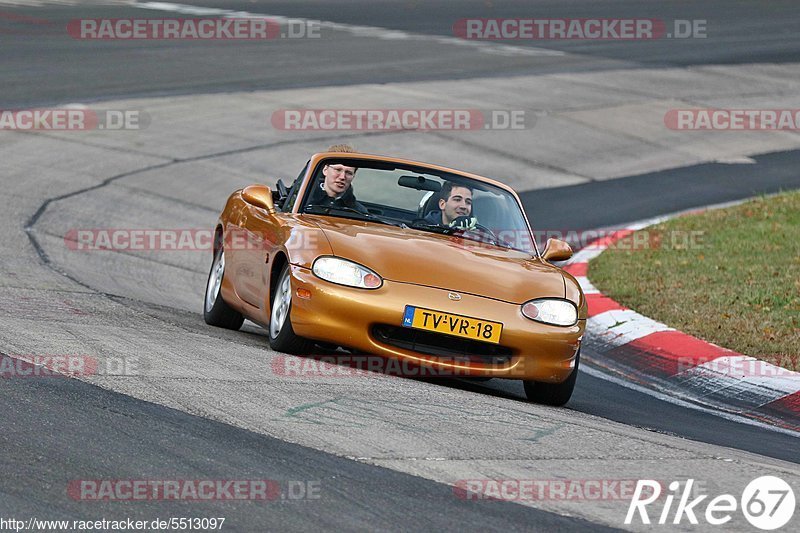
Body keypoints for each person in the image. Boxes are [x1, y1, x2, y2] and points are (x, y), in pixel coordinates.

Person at [306, 144, 369, 214]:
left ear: (353, 176)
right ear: (325, 170)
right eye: (338, 170)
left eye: (348, 173)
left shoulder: (359, 212)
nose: (342, 177)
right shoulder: (303, 201)